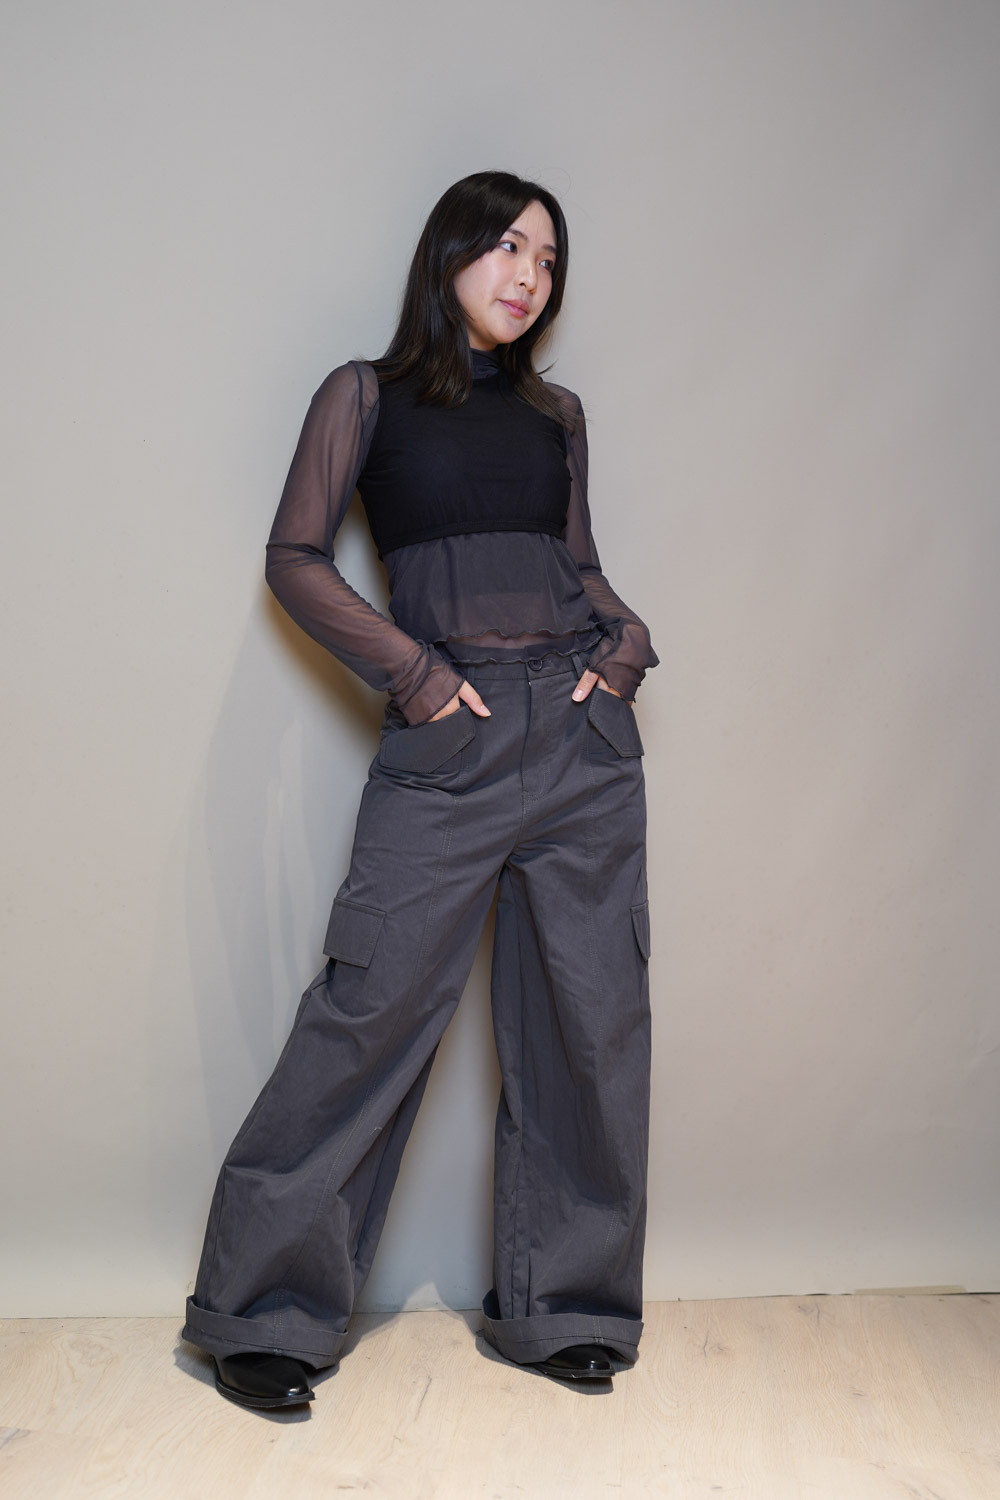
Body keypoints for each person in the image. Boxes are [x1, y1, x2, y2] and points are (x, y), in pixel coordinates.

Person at [181, 170, 658, 1410]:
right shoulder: (366, 395)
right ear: (448, 253)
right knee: (368, 1012)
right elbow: (295, 555)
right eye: (506, 247)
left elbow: (579, 566)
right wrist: (416, 676)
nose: (528, 276)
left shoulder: (556, 415)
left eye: (547, 259)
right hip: (450, 744)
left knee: (591, 1025)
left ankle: (566, 1307)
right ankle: (265, 1315)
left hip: (582, 744)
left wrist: (624, 646)